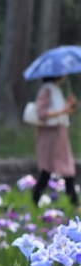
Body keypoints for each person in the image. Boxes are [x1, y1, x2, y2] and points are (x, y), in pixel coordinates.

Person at [31, 75, 79, 207]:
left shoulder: (56, 90)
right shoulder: (46, 90)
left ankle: (74, 203)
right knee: (47, 170)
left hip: (59, 134)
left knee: (66, 169)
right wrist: (64, 110)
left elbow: (61, 112)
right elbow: (41, 112)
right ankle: (35, 200)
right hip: (50, 136)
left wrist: (69, 106)